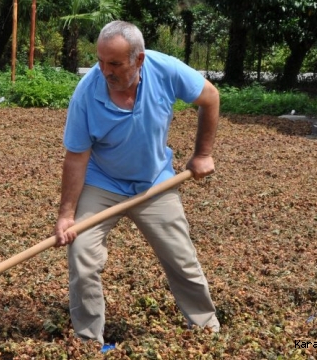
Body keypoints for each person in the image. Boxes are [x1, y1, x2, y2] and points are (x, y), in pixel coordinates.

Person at [53, 20, 221, 344]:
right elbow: (76, 158)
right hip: (102, 183)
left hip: (154, 183)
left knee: (181, 259)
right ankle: (88, 341)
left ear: (138, 59)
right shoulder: (86, 94)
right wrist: (66, 215)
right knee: (82, 256)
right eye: (100, 61)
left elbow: (210, 97)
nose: (105, 71)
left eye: (115, 63)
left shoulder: (166, 71)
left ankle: (205, 328)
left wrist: (202, 153)